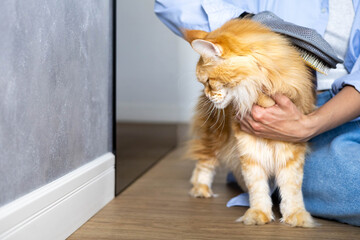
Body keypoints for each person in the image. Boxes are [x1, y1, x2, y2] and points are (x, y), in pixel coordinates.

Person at [154, 0, 360, 226]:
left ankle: (268, 174)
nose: (209, 93)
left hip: (348, 104)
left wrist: (309, 125)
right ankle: (265, 172)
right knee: (352, 182)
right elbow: (169, 3)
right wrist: (244, 25)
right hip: (270, 98)